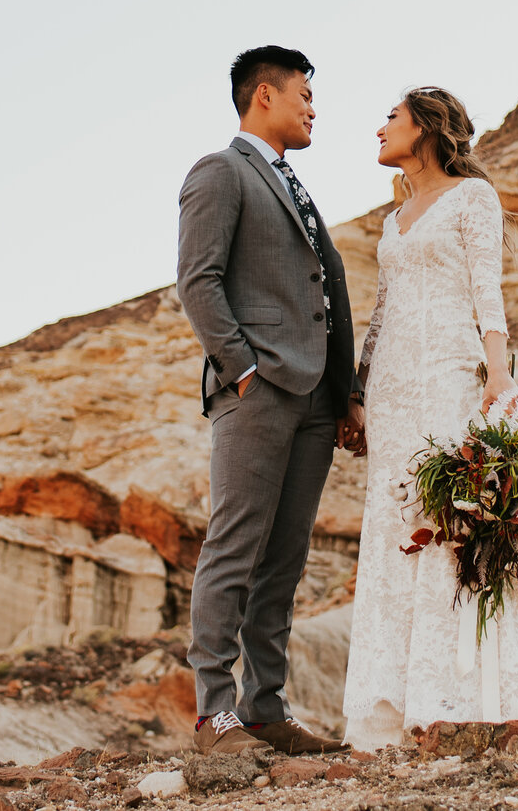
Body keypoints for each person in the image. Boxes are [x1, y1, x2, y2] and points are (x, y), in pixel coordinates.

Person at [340, 85, 518, 751]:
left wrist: (497, 372)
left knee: (451, 522)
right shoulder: (393, 219)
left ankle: (459, 692)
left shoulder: (472, 197)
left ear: (425, 125)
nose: (379, 128)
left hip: (448, 373)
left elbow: (489, 289)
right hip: (394, 386)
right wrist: (359, 392)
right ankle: (395, 699)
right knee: (396, 524)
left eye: (390, 117)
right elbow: (379, 316)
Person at [173, 46, 358, 756]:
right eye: (304, 93)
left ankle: (266, 706)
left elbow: (327, 293)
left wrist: (344, 396)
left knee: (284, 558)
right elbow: (199, 280)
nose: (313, 107)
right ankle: (214, 713)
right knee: (234, 545)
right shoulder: (220, 172)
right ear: (263, 97)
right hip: (258, 390)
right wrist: (244, 368)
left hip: (315, 400)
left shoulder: (297, 188)